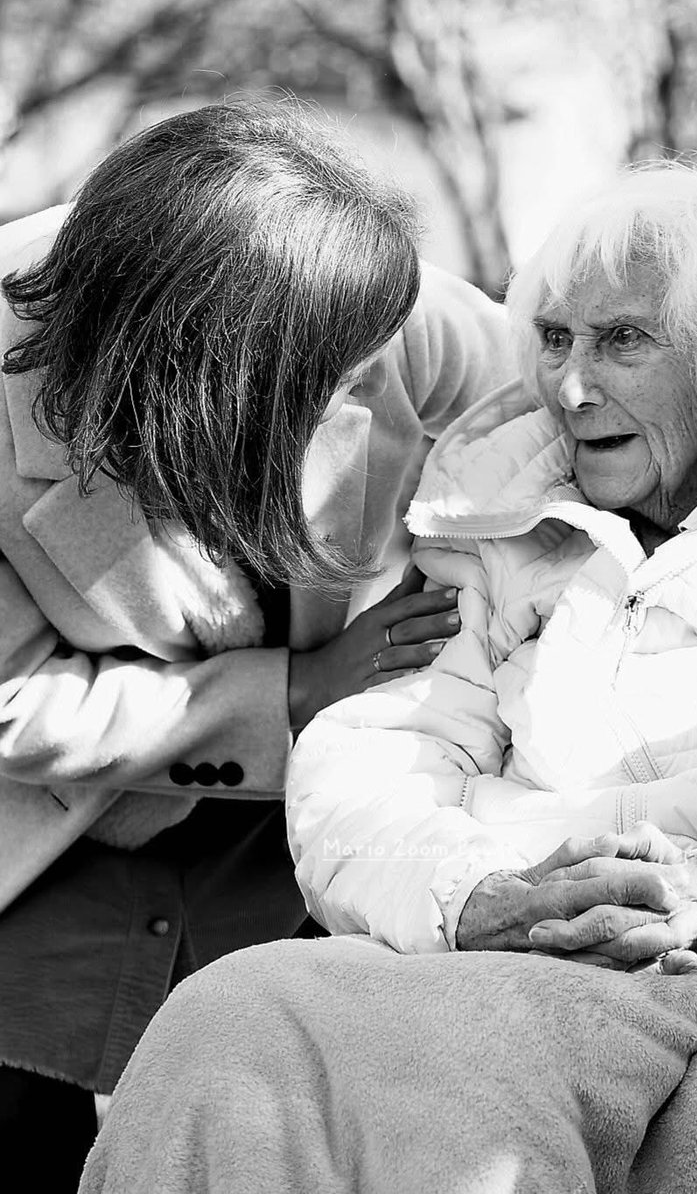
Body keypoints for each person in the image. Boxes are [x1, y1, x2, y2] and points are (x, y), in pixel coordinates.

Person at [77, 163, 697, 1193]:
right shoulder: (499, 512)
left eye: (623, 340)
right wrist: (470, 893)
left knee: (451, 1076)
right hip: (485, 936)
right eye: (554, 338)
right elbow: (374, 754)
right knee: (225, 1013)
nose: (572, 386)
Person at [0, 97, 516, 1187]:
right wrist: (288, 692)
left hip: (300, 826)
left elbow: (550, 412)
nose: (379, 401)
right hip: (48, 833)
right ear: (213, 370)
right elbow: (11, 701)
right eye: (346, 382)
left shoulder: (368, 299)